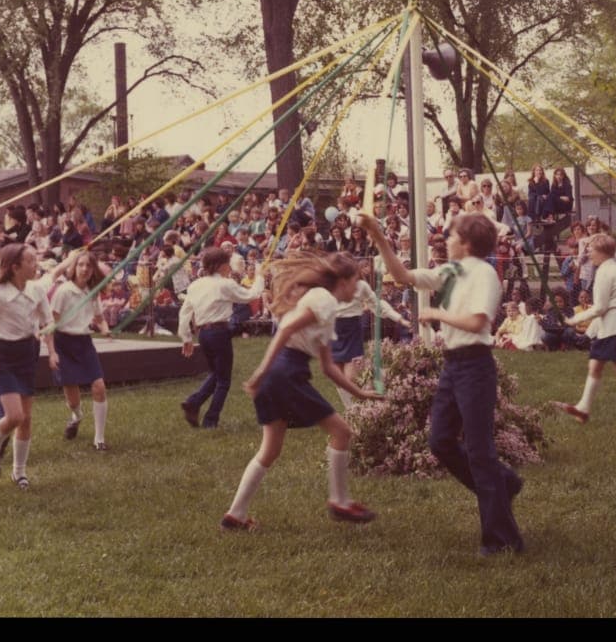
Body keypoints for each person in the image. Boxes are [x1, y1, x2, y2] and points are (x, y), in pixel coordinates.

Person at [359, 211, 524, 556]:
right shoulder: (451, 271)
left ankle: (502, 539)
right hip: (453, 365)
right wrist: (377, 233)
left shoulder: (485, 274)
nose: (444, 240)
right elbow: (401, 275)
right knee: (440, 441)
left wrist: (437, 315)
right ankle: (503, 483)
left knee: (480, 451)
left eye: (450, 236)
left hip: (476, 365)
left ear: (466, 243)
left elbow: (478, 320)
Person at [221, 252, 382, 530]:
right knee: (341, 432)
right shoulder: (325, 300)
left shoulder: (325, 305)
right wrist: (260, 372)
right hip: (286, 372)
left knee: (270, 450)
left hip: (280, 374)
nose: (358, 290)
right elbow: (285, 331)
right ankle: (340, 501)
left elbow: (328, 367)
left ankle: (235, 515)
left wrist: (360, 393)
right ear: (342, 281)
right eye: (355, 282)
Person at [0, 244, 60, 489]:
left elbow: (47, 321)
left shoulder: (37, 289)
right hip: (4, 356)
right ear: (15, 267)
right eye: (30, 261)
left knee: (26, 419)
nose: (35, 264)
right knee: (15, 416)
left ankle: (19, 472)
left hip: (28, 352)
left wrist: (51, 349)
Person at [554, 234, 616, 430]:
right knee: (595, 365)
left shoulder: (605, 272)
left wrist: (574, 320)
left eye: (591, 249)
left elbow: (600, 308)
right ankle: (584, 408)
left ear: (602, 252)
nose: (588, 253)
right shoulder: (612, 269)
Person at [178, 246, 264, 429]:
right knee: (224, 380)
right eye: (227, 263)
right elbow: (251, 295)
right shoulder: (225, 284)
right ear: (220, 265)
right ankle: (210, 419)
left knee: (216, 374)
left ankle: (194, 403)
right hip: (219, 332)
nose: (230, 267)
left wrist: (186, 337)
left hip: (203, 335)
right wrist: (260, 276)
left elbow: (184, 313)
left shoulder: (195, 284)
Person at [50, 251, 112, 450]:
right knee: (72, 395)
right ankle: (76, 416)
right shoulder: (64, 291)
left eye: (89, 266)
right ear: (73, 268)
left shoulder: (93, 291)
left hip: (84, 343)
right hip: (63, 343)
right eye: (81, 265)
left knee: (99, 386)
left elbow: (99, 317)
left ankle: (99, 439)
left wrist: (105, 329)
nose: (84, 269)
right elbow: (51, 322)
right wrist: (52, 351)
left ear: (93, 270)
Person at [332, 264, 410, 409]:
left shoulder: (361, 286)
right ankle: (353, 412)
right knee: (337, 379)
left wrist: (399, 319)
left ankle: (362, 409)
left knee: (351, 377)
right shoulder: (329, 284)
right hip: (333, 333)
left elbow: (377, 305)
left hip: (352, 332)